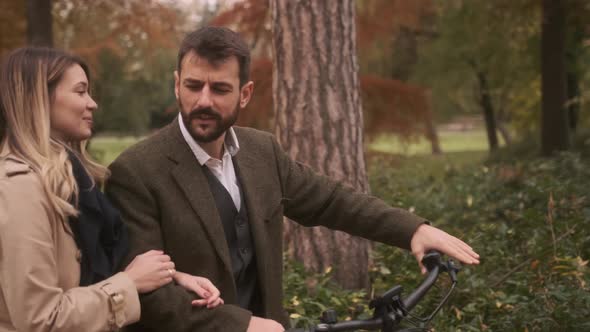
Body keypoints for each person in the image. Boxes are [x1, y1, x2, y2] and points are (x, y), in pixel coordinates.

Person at [106, 26, 480, 332]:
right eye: (193, 86)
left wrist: (412, 230)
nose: (203, 101)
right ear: (176, 85)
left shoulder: (261, 151)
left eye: (220, 89)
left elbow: (332, 201)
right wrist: (242, 326)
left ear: (244, 94)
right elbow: (149, 294)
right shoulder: (136, 172)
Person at [0, 47, 224, 332]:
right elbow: (40, 320)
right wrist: (129, 283)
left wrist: (169, 276)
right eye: (80, 92)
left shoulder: (71, 182)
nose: (92, 103)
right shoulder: (19, 189)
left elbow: (95, 270)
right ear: (39, 99)